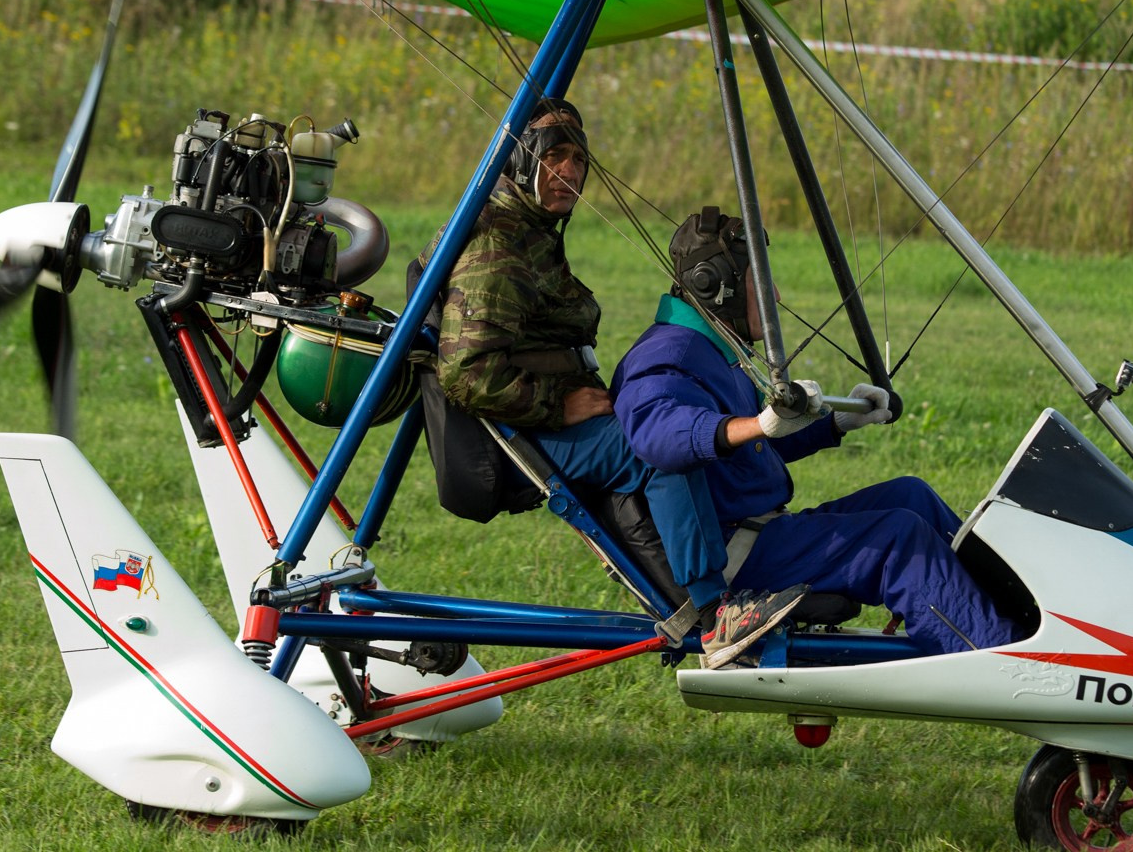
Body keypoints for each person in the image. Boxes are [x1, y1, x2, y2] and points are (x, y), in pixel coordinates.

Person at [434, 102, 807, 665]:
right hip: (526, 429)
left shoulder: (531, 229)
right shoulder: (497, 246)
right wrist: (558, 405)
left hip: (550, 415)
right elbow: (464, 373)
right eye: (555, 156)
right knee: (654, 447)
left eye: (579, 158)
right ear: (522, 161)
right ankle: (714, 612)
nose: (570, 173)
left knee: (664, 425)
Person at [610, 207, 1023, 659]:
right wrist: (757, 423)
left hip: (764, 533)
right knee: (898, 536)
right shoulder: (669, 353)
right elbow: (657, 433)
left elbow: (747, 449)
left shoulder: (713, 348)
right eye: (762, 286)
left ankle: (1032, 618)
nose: (778, 296)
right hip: (734, 559)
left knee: (911, 495)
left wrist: (834, 422)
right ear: (715, 285)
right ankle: (1010, 662)